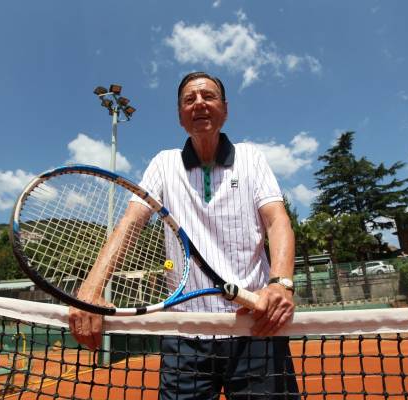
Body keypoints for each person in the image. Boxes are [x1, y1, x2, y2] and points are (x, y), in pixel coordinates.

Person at [69, 72, 299, 399]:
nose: (199, 103)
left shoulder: (251, 157)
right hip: (184, 338)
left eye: (209, 96)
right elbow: (131, 223)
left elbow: (277, 221)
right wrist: (90, 290)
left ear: (225, 109)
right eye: (189, 99)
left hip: (255, 329)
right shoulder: (163, 164)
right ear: (180, 116)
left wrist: (281, 284)